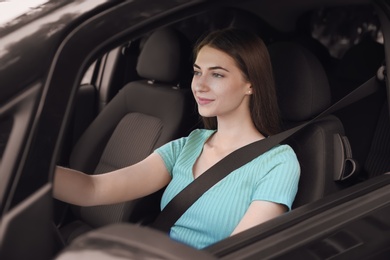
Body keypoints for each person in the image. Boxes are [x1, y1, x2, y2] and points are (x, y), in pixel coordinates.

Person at [54, 28, 300, 250]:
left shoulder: (278, 162)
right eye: (197, 72)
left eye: (217, 75)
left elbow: (241, 251)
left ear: (251, 85)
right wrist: (27, 171)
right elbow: (93, 189)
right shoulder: (188, 145)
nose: (199, 85)